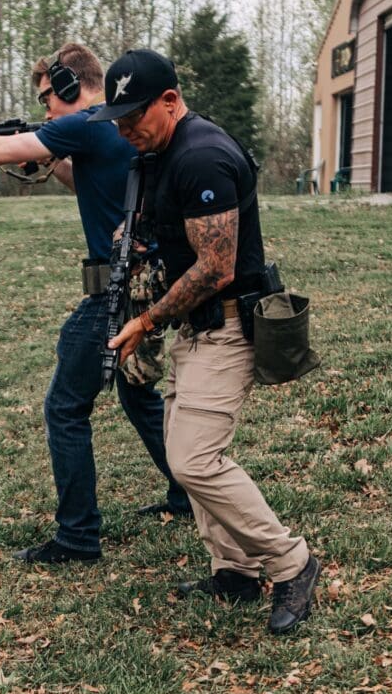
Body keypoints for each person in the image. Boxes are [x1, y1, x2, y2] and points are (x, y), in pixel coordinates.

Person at [0, 42, 191, 564]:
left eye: (47, 100)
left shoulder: (84, 125)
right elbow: (85, 177)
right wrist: (46, 149)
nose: (45, 112)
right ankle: (186, 493)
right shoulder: (110, 133)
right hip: (148, 285)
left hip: (113, 289)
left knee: (64, 408)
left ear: (70, 87)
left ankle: (77, 537)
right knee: (138, 395)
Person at [96, 48, 321, 634]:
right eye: (116, 120)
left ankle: (292, 562)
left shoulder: (203, 157)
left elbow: (215, 268)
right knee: (183, 449)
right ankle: (237, 570)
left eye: (133, 118)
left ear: (170, 101)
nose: (124, 131)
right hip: (194, 329)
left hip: (227, 324)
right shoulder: (155, 152)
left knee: (194, 460)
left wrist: (144, 324)